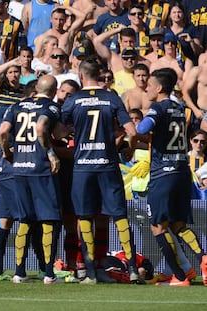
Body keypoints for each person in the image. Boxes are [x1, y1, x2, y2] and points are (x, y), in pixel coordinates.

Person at [61, 59, 142, 284]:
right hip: (107, 164)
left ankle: (90, 272)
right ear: (99, 75)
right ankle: (133, 269)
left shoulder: (74, 100)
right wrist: (130, 150)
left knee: (84, 216)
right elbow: (132, 131)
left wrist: (68, 135)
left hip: (83, 168)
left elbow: (58, 128)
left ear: (80, 74)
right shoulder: (111, 98)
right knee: (119, 216)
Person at [136, 67, 207, 286]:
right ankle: (204, 261)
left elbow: (141, 128)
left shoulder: (158, 107)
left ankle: (179, 276)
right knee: (179, 225)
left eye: (149, 84)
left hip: (163, 174)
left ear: (159, 88)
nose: (146, 87)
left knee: (158, 225)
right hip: (181, 171)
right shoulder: (181, 107)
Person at [0, 75, 63, 284]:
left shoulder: (16, 106)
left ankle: (19, 272)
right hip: (40, 168)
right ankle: (49, 273)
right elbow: (41, 128)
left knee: (24, 219)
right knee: (48, 219)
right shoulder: (51, 107)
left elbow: (2, 131)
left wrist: (7, 151)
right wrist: (50, 152)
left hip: (19, 168)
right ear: (54, 90)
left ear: (36, 87)